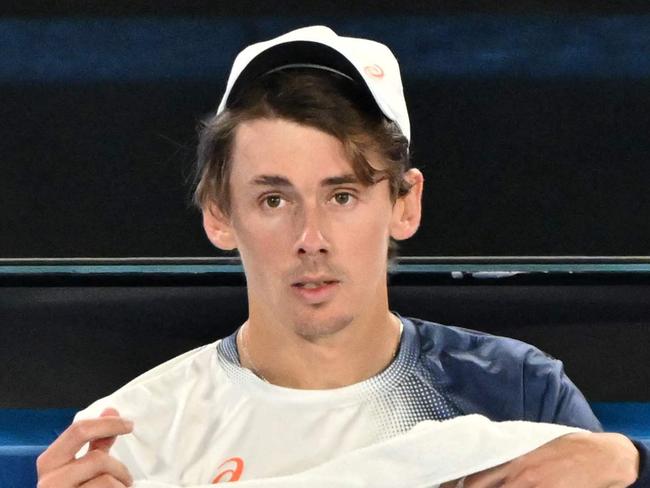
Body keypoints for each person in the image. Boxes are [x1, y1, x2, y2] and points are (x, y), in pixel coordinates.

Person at [37, 26, 646, 487]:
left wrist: (628, 465)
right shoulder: (132, 437)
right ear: (219, 215)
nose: (312, 237)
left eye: (343, 195)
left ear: (405, 204)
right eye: (274, 199)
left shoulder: (517, 390)